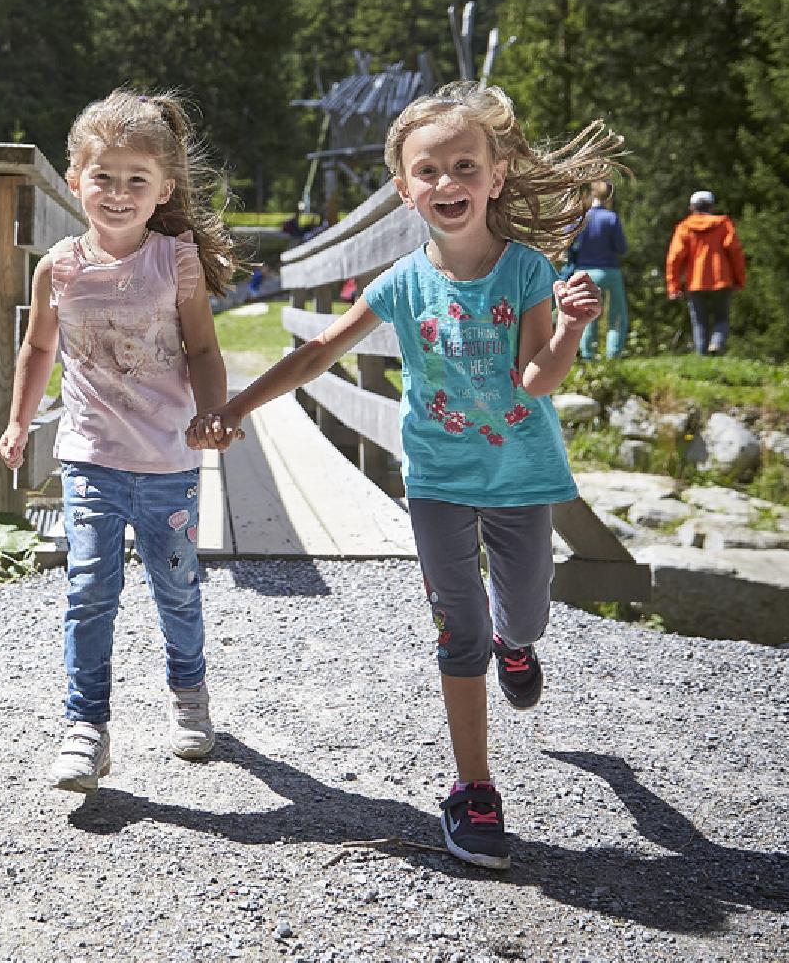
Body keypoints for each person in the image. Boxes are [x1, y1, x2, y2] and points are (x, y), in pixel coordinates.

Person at [194, 81, 627, 870]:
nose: (447, 182)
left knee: (525, 613)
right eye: (428, 171)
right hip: (435, 478)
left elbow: (535, 379)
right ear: (404, 189)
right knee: (457, 630)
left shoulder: (526, 270)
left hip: (521, 476)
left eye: (464, 166)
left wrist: (569, 327)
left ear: (496, 176)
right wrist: (238, 406)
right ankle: (474, 789)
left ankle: (517, 643)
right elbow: (318, 352)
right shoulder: (399, 283)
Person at [0, 88, 238, 794]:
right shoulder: (59, 268)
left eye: (137, 180)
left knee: (176, 588)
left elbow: (203, 350)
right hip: (90, 457)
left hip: (167, 461)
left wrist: (213, 413)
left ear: (163, 189)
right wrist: (18, 422)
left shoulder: (176, 261)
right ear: (76, 180)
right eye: (103, 177)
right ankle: (86, 726)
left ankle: (188, 692)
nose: (119, 193)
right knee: (88, 590)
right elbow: (38, 349)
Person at [665, 190, 746, 356]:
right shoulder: (723, 224)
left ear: (691, 208)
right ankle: (716, 343)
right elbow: (735, 251)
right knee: (722, 318)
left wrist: (674, 287)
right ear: (712, 207)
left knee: (699, 322)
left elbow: (674, 258)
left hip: (695, 281)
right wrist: (739, 280)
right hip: (721, 279)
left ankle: (702, 357)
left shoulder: (684, 227)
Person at [568, 179, 628, 358]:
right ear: (609, 197)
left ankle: (588, 354)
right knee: (617, 315)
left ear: (591, 194)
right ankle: (613, 354)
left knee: (587, 313)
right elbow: (621, 248)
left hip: (584, 272)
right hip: (609, 270)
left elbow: (567, 242)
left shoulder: (581, 218)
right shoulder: (611, 218)